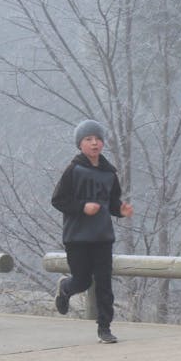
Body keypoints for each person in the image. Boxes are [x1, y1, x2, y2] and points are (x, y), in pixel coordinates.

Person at [51, 120, 134, 344]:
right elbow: (58, 200)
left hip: (103, 236)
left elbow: (112, 202)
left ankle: (104, 327)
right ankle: (65, 288)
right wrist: (82, 208)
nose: (94, 143)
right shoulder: (73, 170)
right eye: (88, 139)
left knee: (105, 283)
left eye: (97, 139)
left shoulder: (109, 173)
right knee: (82, 281)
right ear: (80, 144)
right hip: (77, 237)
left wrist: (121, 210)